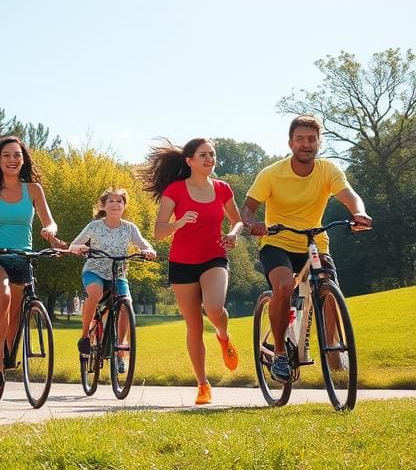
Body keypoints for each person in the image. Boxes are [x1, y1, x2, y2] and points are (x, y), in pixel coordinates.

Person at [240, 115, 372, 383]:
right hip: (278, 242)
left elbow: (349, 195)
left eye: (311, 139)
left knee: (328, 289)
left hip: (314, 240)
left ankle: (333, 349)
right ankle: (279, 353)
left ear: (318, 142)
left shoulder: (328, 170)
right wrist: (254, 224)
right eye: (300, 139)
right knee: (284, 286)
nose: (306, 144)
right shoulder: (271, 173)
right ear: (291, 143)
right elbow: (247, 209)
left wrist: (359, 213)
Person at [140, 138, 243, 406]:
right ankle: (202, 384)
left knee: (214, 308)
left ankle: (223, 337)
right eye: (203, 155)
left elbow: (238, 220)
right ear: (190, 161)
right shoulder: (175, 191)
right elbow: (159, 231)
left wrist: (232, 234)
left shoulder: (222, 189)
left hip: (214, 257)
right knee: (194, 326)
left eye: (212, 154)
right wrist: (179, 223)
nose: (209, 159)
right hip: (182, 263)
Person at [0, 135, 65, 390]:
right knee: (3, 296)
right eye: (7, 155)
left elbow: (50, 220)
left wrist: (49, 231)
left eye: (17, 155)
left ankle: (8, 354)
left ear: (23, 160)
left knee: (16, 314)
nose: (12, 160)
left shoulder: (33, 189)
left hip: (23, 257)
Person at [67, 188, 155, 376]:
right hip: (94, 271)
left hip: (118, 274)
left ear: (124, 206)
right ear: (103, 206)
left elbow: (142, 243)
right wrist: (79, 248)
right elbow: (73, 245)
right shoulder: (94, 227)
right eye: (111, 201)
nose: (116, 204)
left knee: (126, 306)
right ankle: (84, 336)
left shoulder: (129, 228)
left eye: (119, 201)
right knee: (96, 292)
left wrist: (148, 250)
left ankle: (120, 352)